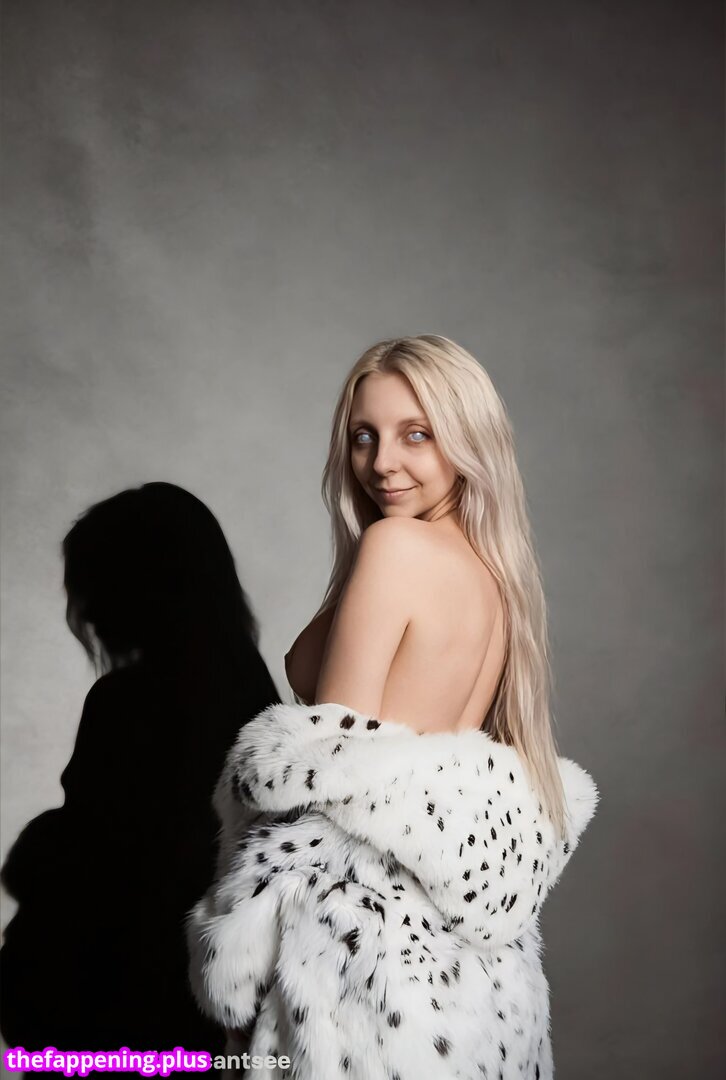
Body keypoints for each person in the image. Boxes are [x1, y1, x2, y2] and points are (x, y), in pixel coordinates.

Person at [188, 337, 598, 1080]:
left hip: (361, 961)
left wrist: (241, 933)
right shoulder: (493, 576)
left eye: (416, 434)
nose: (381, 463)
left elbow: (327, 764)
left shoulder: (396, 549)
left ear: (467, 439)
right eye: (363, 436)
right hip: (469, 980)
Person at [0, 482, 280, 1056]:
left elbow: (92, 862)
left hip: (122, 1004)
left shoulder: (126, 702)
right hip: (219, 1015)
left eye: (96, 586)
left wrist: (37, 858)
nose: (85, 612)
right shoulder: (257, 696)